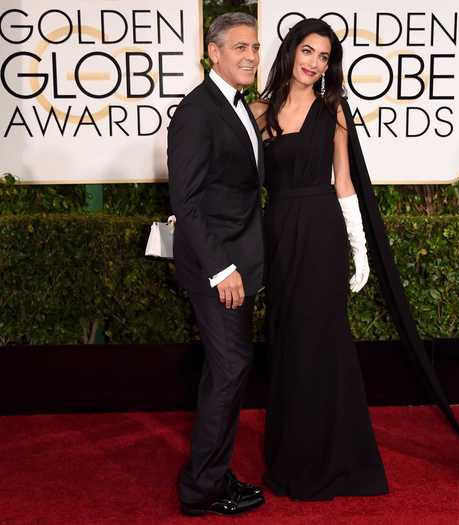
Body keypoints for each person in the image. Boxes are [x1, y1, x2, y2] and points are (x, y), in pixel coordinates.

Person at [249, 18, 389, 500]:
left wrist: (359, 248)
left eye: (324, 57)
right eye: (308, 51)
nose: (314, 63)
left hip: (323, 234)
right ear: (291, 52)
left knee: (323, 345)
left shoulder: (334, 109)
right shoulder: (257, 112)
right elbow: (244, 186)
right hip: (280, 236)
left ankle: (335, 459)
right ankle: (291, 458)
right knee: (287, 343)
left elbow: (344, 182)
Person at [167, 12, 266, 515]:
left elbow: (235, 185)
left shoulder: (236, 106)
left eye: (254, 47)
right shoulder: (197, 111)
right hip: (218, 267)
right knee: (230, 369)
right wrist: (221, 269)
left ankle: (212, 473)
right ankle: (201, 488)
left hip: (237, 261)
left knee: (227, 369)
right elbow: (185, 201)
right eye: (240, 47)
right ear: (214, 52)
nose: (251, 55)